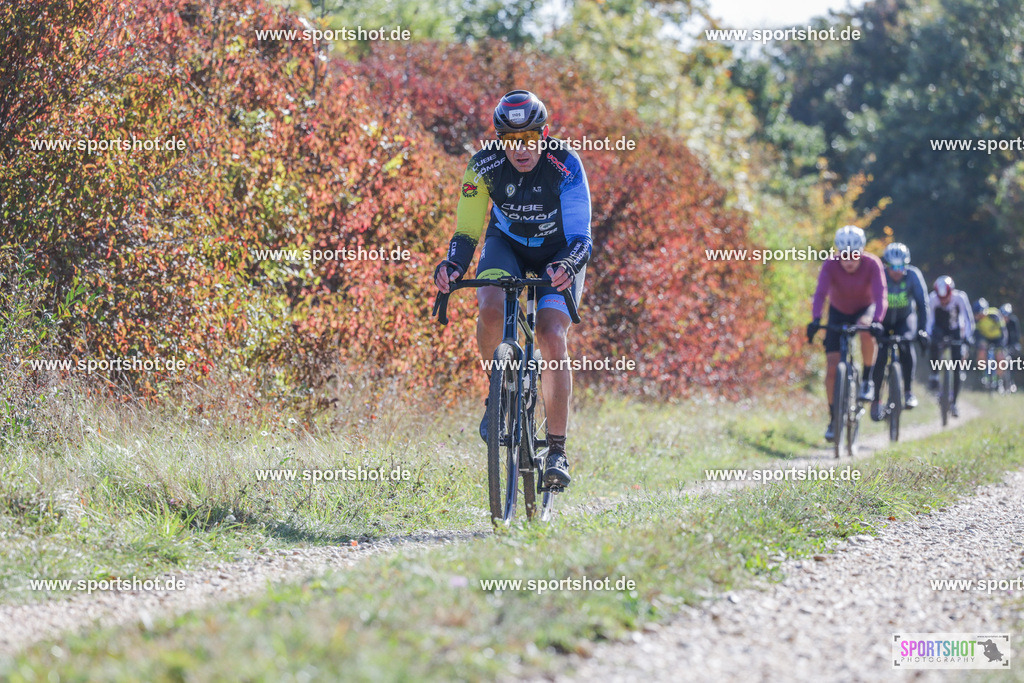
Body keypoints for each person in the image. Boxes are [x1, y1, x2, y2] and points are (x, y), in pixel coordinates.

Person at [434, 90, 592, 488]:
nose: (520, 150)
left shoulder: (566, 165)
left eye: (529, 139)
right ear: (499, 139)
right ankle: (498, 393)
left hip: (559, 252)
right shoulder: (483, 166)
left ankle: (557, 451)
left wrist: (568, 265)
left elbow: (581, 237)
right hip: (507, 246)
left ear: (544, 133)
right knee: (488, 306)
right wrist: (452, 265)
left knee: (551, 336)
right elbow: (468, 230)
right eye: (510, 141)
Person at [807, 225, 887, 442]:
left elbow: (881, 296)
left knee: (865, 328)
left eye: (854, 255)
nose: (849, 261)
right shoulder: (830, 265)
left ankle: (868, 380)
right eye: (844, 256)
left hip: (865, 309)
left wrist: (877, 321)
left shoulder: (872, 264)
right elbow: (820, 293)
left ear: (861, 252)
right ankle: (834, 419)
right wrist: (815, 319)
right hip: (838, 311)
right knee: (832, 368)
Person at [869, 242, 930, 420]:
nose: (897, 270)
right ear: (886, 265)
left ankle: (909, 391)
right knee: (880, 356)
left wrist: (922, 330)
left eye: (901, 266)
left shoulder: (913, 275)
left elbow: (922, 304)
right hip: (883, 320)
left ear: (907, 264)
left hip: (905, 319)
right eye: (892, 266)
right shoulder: (879, 275)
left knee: (906, 346)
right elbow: (870, 300)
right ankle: (876, 400)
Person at [926, 276, 973, 417]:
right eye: (941, 298)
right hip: (939, 329)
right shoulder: (932, 299)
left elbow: (967, 318)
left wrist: (968, 337)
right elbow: (929, 321)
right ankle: (934, 375)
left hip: (956, 330)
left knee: (957, 367)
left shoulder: (960, 298)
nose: (944, 301)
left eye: (946, 297)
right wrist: (928, 336)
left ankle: (954, 404)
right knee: (933, 344)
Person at [973, 298, 1009, 389]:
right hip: (985, 338)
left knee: (1000, 357)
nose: (979, 317)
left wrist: (1002, 344)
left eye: (980, 314)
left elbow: (1003, 331)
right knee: (981, 351)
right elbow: (976, 334)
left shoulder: (994, 314)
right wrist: (978, 344)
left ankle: (998, 379)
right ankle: (983, 375)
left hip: (997, 338)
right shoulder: (977, 319)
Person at [1001, 303, 1020, 392]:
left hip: (1011, 347)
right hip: (1002, 347)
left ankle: (1011, 383)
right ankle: (1000, 384)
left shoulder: (1013, 322)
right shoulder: (999, 322)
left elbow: (1016, 336)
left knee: (1012, 363)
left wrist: (1014, 346)